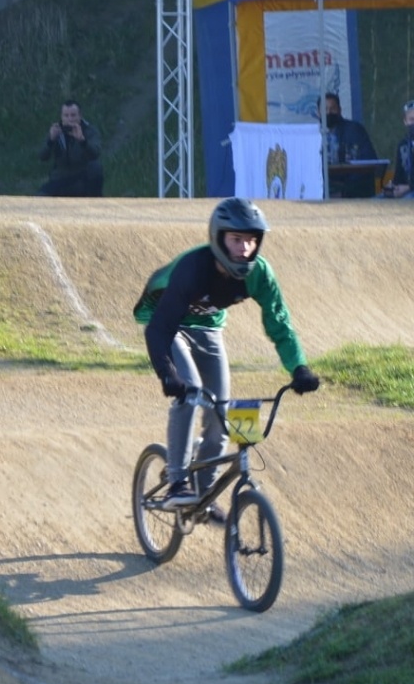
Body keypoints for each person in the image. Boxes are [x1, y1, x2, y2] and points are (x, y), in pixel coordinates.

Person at [133, 198, 321, 512]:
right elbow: (158, 330)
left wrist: (298, 367)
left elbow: (279, 323)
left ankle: (203, 496)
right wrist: (169, 374)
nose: (245, 249)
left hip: (209, 328)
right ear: (219, 238)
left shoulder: (259, 274)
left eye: (251, 240)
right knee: (191, 392)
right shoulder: (194, 270)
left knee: (221, 412)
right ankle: (177, 483)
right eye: (236, 240)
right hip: (169, 323)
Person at [37, 99, 103, 197]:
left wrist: (82, 141)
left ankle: (94, 201)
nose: (70, 119)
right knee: (41, 196)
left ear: (80, 116)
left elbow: (95, 154)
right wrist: (51, 141)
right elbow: (42, 156)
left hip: (82, 176)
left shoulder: (89, 131)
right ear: (61, 117)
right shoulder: (56, 130)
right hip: (60, 177)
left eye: (73, 115)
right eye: (66, 115)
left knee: (96, 167)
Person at [321, 92, 379, 198]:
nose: (328, 112)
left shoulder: (354, 130)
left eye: (332, 108)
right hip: (324, 187)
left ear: (339, 110)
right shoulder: (314, 135)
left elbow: (368, 161)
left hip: (352, 187)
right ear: (318, 112)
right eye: (324, 109)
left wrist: (344, 191)